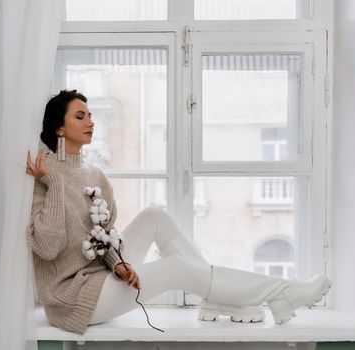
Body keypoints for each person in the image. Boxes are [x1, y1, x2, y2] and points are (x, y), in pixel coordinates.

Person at [25, 89, 331, 335]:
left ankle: (219, 300)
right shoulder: (45, 175)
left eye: (91, 115)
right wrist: (53, 185)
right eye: (81, 116)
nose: (91, 122)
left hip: (101, 277)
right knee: (174, 269)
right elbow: (48, 248)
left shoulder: (94, 175)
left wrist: (118, 264)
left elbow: (104, 238)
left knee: (154, 216)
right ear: (59, 128)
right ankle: (281, 292)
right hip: (73, 300)